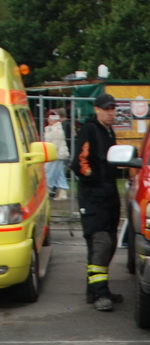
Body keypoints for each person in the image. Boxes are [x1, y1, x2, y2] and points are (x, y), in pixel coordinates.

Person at [71, 93, 122, 312]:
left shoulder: (108, 132)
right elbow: (79, 163)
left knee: (109, 243)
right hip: (94, 198)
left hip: (109, 196)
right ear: (97, 110)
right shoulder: (90, 129)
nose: (111, 113)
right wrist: (95, 181)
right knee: (100, 243)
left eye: (113, 109)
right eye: (107, 109)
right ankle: (99, 294)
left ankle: (98, 290)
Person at [44, 110, 70, 200]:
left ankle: (47, 190)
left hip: (55, 155)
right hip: (57, 154)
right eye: (49, 117)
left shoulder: (56, 129)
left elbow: (55, 144)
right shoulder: (52, 128)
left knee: (48, 172)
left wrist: (50, 153)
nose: (50, 119)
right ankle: (63, 192)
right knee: (59, 174)